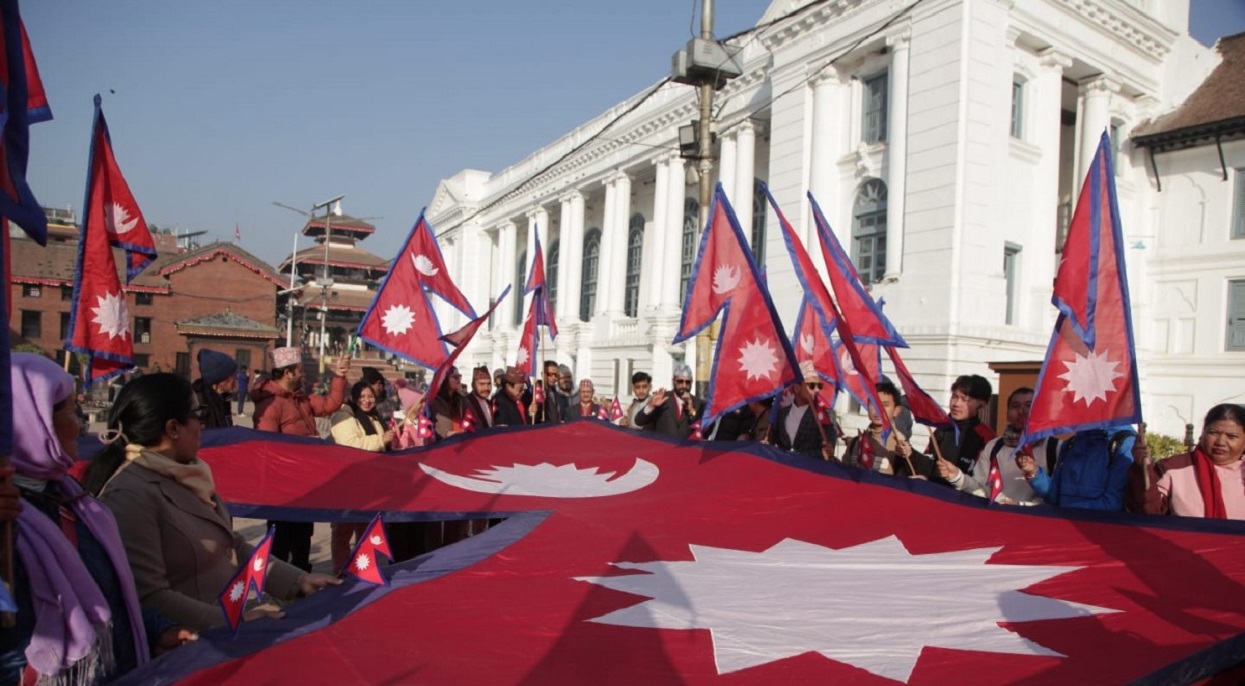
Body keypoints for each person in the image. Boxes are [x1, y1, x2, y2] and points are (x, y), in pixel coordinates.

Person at [92, 373, 340, 631]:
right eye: (197, 414)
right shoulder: (129, 495)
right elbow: (148, 597)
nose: (202, 424)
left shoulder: (189, 474)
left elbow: (232, 547)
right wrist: (233, 623)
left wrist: (299, 580)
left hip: (223, 636)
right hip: (187, 651)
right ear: (173, 428)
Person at [2, 354, 191, 683]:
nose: (81, 424)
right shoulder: (8, 521)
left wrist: (154, 631)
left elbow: (106, 596)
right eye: (70, 411)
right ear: (31, 421)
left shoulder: (71, 497)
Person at [251, 346, 350, 572]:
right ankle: (278, 585)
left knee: (303, 536)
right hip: (282, 488)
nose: (303, 373)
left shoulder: (301, 399)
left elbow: (329, 405)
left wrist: (340, 376)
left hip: (304, 484)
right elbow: (267, 448)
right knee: (281, 540)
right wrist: (304, 448)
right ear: (288, 373)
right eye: (299, 369)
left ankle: (302, 584)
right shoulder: (270, 405)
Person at [1129, 404, 1245, 519]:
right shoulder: (1173, 467)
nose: (1220, 442)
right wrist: (1142, 469)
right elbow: (1148, 512)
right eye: (1213, 433)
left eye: (1231, 436)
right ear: (1203, 433)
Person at [943, 387, 1053, 505]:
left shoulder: (1054, 448)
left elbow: (1057, 496)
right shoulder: (993, 447)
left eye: (1028, 406)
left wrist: (1020, 505)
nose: (1022, 411)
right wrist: (957, 477)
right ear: (1007, 413)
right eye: (1015, 406)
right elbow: (981, 489)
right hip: (998, 516)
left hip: (1037, 520)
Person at [329, 381, 395, 570]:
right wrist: (381, 440)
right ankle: (340, 571)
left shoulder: (375, 418)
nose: (367, 401)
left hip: (370, 483)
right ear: (355, 397)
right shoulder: (344, 416)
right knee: (343, 530)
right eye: (363, 397)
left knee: (366, 529)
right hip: (347, 483)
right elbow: (350, 444)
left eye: (371, 397)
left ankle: (364, 568)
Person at [1020, 425, 1137, 511]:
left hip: (1100, 537)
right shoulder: (1071, 443)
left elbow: (1113, 505)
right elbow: (1054, 498)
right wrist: (1034, 473)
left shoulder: (1124, 442)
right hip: (1067, 533)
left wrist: (1066, 512)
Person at [928, 374, 996, 486]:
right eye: (954, 396)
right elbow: (928, 460)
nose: (956, 404)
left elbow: (984, 481)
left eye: (965, 399)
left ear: (982, 404)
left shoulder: (987, 437)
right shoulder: (942, 428)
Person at [843, 381, 917, 476]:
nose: (878, 410)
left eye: (885, 405)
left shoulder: (901, 447)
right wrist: (830, 458)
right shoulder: (856, 442)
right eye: (873, 404)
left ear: (896, 411)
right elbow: (844, 475)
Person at [771, 362, 836, 460]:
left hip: (810, 470)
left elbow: (829, 443)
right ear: (797, 388)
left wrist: (827, 451)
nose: (817, 390)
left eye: (819, 386)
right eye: (811, 385)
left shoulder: (825, 415)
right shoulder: (782, 414)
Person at [635, 364, 703, 439]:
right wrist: (651, 406)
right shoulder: (662, 398)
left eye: (687, 382)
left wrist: (691, 410)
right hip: (663, 448)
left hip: (686, 449)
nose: (684, 385)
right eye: (680, 381)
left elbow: (704, 430)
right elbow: (639, 421)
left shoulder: (699, 403)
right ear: (673, 381)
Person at [192, 348, 238, 429]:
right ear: (220, 379)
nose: (235, 380)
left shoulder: (224, 398)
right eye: (232, 377)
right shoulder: (197, 400)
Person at [430, 366, 466, 438]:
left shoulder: (460, 399)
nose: (459, 380)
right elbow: (441, 431)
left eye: (459, 376)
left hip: (461, 440)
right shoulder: (435, 402)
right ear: (444, 379)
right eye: (455, 377)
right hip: (446, 444)